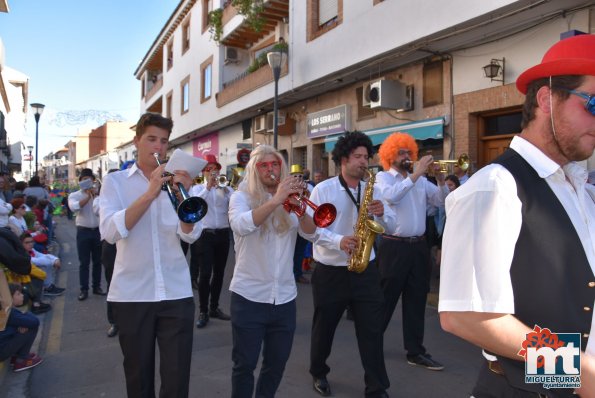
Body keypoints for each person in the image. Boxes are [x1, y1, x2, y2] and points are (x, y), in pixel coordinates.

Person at [439, 34, 595, 397]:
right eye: (593, 104)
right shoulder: (495, 187)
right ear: (546, 100)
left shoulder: (582, 189)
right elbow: (464, 316)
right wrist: (572, 371)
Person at [99, 112, 204, 398]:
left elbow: (190, 234)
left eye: (164, 141)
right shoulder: (116, 182)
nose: (158, 147)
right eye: (151, 139)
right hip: (132, 294)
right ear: (137, 141)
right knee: (138, 378)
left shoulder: (176, 184)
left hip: (176, 291)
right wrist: (149, 193)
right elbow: (110, 232)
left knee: (177, 379)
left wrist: (185, 194)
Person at [308, 131, 396, 398]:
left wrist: (383, 214)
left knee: (371, 330)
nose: (363, 162)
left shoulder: (374, 187)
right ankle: (318, 371)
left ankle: (377, 386)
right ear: (343, 160)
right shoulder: (324, 189)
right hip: (331, 271)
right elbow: (310, 230)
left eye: (366, 157)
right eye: (358, 157)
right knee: (325, 327)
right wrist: (338, 241)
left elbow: (390, 224)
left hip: (365, 270)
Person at [228, 144, 316, 398]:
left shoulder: (291, 200)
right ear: (254, 170)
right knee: (244, 365)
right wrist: (276, 199)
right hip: (249, 296)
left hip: (284, 298)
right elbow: (241, 224)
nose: (270, 169)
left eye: (275, 164)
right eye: (263, 165)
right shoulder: (241, 196)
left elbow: (310, 233)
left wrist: (301, 209)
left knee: (276, 364)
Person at [375, 132, 448, 371]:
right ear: (389, 155)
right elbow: (391, 198)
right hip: (393, 246)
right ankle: (371, 341)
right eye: (401, 152)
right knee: (386, 299)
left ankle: (415, 351)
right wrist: (416, 175)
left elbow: (440, 202)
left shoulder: (421, 181)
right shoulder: (383, 178)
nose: (406, 156)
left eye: (409, 152)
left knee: (416, 300)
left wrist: (439, 181)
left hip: (418, 246)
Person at [189, 154, 233, 328]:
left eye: (215, 169)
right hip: (205, 235)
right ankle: (203, 310)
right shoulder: (196, 189)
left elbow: (234, 201)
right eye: (209, 169)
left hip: (222, 234)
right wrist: (208, 187)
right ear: (204, 171)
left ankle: (214, 307)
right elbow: (198, 203)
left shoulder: (225, 188)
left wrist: (225, 188)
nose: (213, 172)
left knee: (219, 273)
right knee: (205, 274)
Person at [69, 169, 105, 301]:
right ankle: (84, 289)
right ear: (80, 181)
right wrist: (88, 197)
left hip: (97, 231)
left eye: (89, 179)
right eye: (84, 179)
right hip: (83, 231)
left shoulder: (98, 195)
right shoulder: (75, 195)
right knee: (84, 262)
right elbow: (74, 208)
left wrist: (96, 196)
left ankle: (97, 287)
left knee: (98, 261)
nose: (86, 182)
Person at [0, 284, 43, 372]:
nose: (22, 295)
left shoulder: (4, 310)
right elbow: (35, 321)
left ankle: (16, 356)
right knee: (31, 327)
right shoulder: (10, 314)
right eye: (18, 294)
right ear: (9, 298)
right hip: (2, 352)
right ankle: (21, 359)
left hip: (3, 347)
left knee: (24, 325)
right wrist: (25, 314)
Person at [289, 164, 310, 284]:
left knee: (300, 251)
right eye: (295, 175)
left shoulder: (309, 188)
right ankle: (288, 273)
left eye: (300, 175)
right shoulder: (286, 189)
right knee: (288, 251)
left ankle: (297, 274)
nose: (298, 177)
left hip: (303, 224)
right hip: (290, 225)